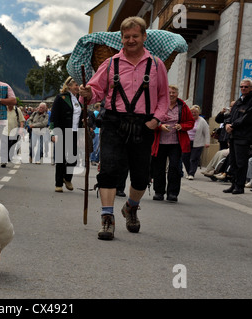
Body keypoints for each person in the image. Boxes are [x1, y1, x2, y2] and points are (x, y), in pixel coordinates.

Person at [79, 16, 169, 241]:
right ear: (121, 38)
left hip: (143, 125)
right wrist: (88, 94)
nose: (130, 40)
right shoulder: (110, 64)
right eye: (126, 37)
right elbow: (95, 92)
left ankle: (131, 207)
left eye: (135, 36)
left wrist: (155, 121)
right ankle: (107, 219)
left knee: (141, 176)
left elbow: (164, 98)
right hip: (113, 123)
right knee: (108, 170)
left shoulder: (157, 65)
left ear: (144, 37)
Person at [151, 85, 194, 202]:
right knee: (159, 168)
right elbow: (150, 121)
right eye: (169, 92)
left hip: (176, 142)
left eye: (174, 92)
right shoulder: (158, 105)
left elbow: (191, 122)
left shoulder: (183, 107)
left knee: (174, 167)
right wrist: (160, 126)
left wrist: (182, 126)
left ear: (177, 94)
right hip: (160, 142)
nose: (171, 94)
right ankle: (159, 192)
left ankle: (172, 193)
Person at [223, 79, 252, 194]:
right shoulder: (238, 101)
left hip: (244, 136)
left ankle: (240, 186)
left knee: (241, 162)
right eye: (241, 87)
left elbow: (248, 118)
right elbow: (231, 114)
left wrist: (232, 125)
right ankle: (233, 184)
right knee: (233, 161)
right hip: (233, 136)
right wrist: (227, 123)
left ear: (251, 88)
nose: (243, 89)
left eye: (246, 87)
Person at [50, 77, 82, 192]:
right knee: (60, 158)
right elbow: (53, 116)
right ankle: (58, 183)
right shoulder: (61, 97)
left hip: (74, 132)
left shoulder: (79, 99)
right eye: (76, 85)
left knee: (73, 157)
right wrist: (53, 132)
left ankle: (67, 178)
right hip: (61, 130)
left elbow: (80, 117)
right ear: (69, 86)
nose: (78, 87)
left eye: (78, 85)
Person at [182, 105, 210, 180]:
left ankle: (191, 173)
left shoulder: (202, 121)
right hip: (187, 142)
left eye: (195, 112)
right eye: (192, 112)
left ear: (199, 113)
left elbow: (206, 132)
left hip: (198, 143)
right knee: (185, 157)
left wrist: (207, 142)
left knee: (194, 158)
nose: (193, 113)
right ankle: (188, 172)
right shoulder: (187, 119)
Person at [1, 101, 25, 166]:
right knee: (4, 146)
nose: (9, 104)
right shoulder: (3, 109)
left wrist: (21, 128)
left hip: (14, 131)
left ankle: (8, 156)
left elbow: (21, 120)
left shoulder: (17, 110)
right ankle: (4, 161)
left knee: (11, 145)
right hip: (4, 131)